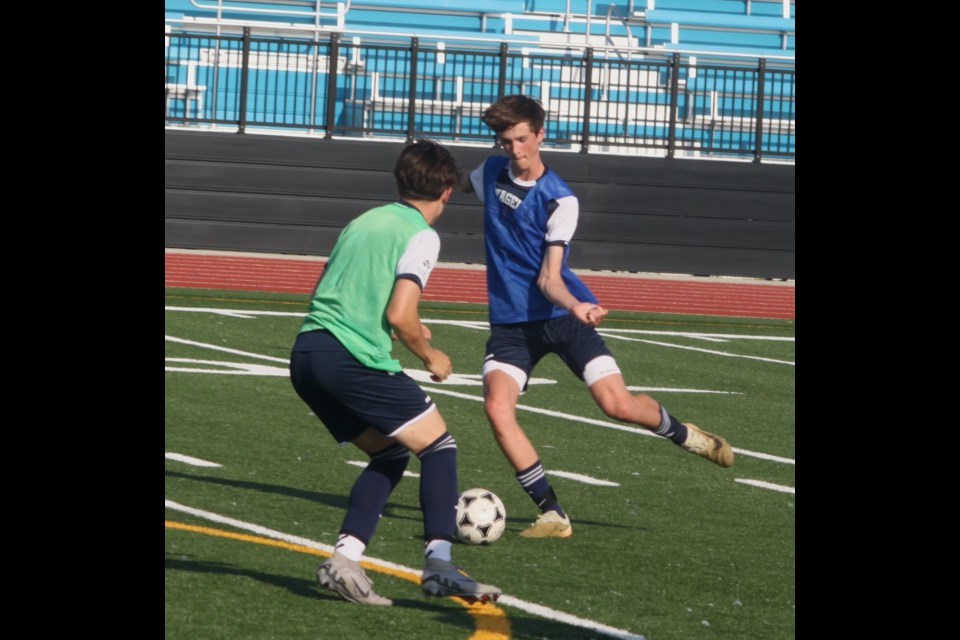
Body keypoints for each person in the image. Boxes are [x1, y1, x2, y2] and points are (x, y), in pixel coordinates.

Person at [465, 95, 735, 539]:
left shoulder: (560, 200)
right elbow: (452, 186)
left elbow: (549, 280)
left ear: (540, 134)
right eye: (505, 141)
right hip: (512, 326)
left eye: (522, 139)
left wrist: (576, 305)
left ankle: (685, 433)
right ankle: (552, 512)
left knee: (617, 405)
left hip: (565, 315)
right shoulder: (490, 172)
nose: (515, 150)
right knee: (497, 408)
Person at [289, 139, 501, 605]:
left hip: (308, 354)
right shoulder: (421, 233)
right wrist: (429, 354)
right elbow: (402, 312)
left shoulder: (364, 220)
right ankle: (440, 566)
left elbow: (343, 287)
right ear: (447, 191)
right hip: (351, 359)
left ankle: (344, 561)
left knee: (389, 455)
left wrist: (396, 323)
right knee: (440, 448)